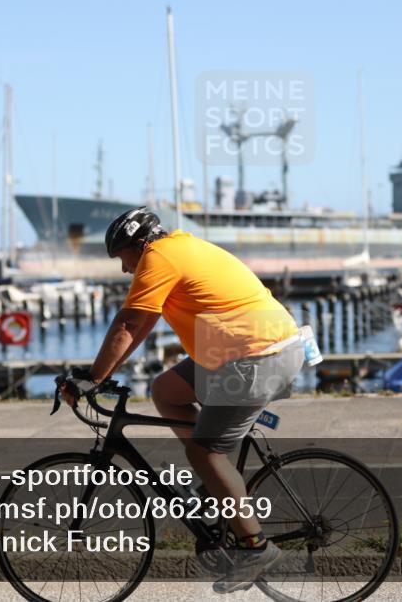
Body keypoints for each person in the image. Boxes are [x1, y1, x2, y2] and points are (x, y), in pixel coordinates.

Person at [77, 206, 304, 593]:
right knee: (166, 390)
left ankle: (255, 547)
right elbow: (141, 325)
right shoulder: (178, 248)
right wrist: (100, 373)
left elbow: (128, 324)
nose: (125, 269)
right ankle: (214, 486)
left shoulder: (159, 256)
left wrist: (92, 378)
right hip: (244, 349)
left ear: (139, 244)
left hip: (258, 355)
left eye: (124, 258)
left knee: (204, 453)